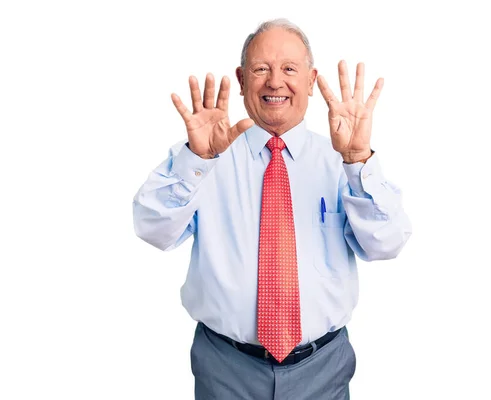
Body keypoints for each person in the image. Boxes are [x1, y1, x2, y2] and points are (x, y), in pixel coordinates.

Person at [132, 18, 412, 400]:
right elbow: (151, 228)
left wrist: (359, 159)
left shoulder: (341, 160)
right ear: (242, 79)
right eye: (261, 69)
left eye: (289, 69)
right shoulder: (206, 158)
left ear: (311, 81)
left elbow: (387, 242)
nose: (275, 82)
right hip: (225, 369)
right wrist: (195, 159)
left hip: (323, 368)